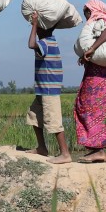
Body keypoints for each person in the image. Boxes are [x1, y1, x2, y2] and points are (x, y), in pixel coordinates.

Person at [74, 0, 106, 163]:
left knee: (88, 107)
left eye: (86, 11)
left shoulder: (101, 21)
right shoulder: (100, 22)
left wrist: (91, 49)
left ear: (92, 10)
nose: (85, 15)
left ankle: (99, 150)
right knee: (103, 112)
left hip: (97, 78)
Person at [27, 11, 71, 163]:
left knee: (54, 121)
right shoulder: (49, 41)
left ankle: (65, 154)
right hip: (42, 89)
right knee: (34, 115)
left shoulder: (46, 42)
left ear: (42, 29)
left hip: (48, 90)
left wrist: (34, 24)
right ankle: (41, 148)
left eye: (38, 28)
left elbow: (31, 44)